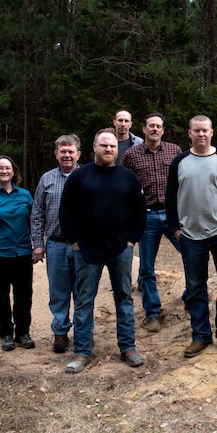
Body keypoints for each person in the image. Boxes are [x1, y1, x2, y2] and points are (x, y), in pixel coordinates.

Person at [59, 128, 147, 373]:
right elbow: (66, 213)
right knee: (84, 301)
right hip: (86, 250)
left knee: (124, 299)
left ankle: (128, 348)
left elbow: (140, 212)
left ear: (117, 150)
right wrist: (75, 242)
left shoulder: (128, 177)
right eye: (104, 145)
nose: (109, 149)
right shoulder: (79, 177)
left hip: (121, 249)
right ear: (94, 148)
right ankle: (82, 351)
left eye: (112, 146)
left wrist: (131, 241)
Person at [165, 115, 217, 358]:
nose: (201, 134)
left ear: (211, 133)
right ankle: (200, 336)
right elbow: (170, 197)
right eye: (196, 130)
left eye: (205, 130)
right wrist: (176, 229)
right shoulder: (180, 161)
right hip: (190, 236)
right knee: (196, 287)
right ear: (189, 133)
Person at [121, 113, 182, 333]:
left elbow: (184, 179)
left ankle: (191, 296)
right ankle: (152, 313)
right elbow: (122, 185)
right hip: (146, 218)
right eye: (151, 126)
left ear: (163, 130)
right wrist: (132, 209)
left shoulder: (175, 151)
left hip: (173, 215)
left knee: (192, 253)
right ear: (144, 129)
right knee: (147, 267)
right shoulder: (131, 155)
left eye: (158, 126)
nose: (155, 129)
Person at [0, 155, 35, 351]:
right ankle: (5, 332)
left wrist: (36, 246)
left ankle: (23, 332)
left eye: (8, 168)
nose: (4, 171)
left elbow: (32, 223)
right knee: (1, 296)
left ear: (13, 172)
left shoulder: (25, 195)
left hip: (22, 254)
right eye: (0, 168)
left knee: (24, 295)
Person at [31, 134, 81, 353]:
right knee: (58, 291)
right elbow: (37, 212)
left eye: (71, 151)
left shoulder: (88, 176)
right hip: (56, 245)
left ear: (78, 154)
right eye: (63, 151)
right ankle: (60, 332)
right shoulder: (47, 179)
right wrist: (38, 244)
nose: (67, 155)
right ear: (56, 154)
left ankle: (83, 332)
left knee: (83, 291)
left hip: (83, 246)